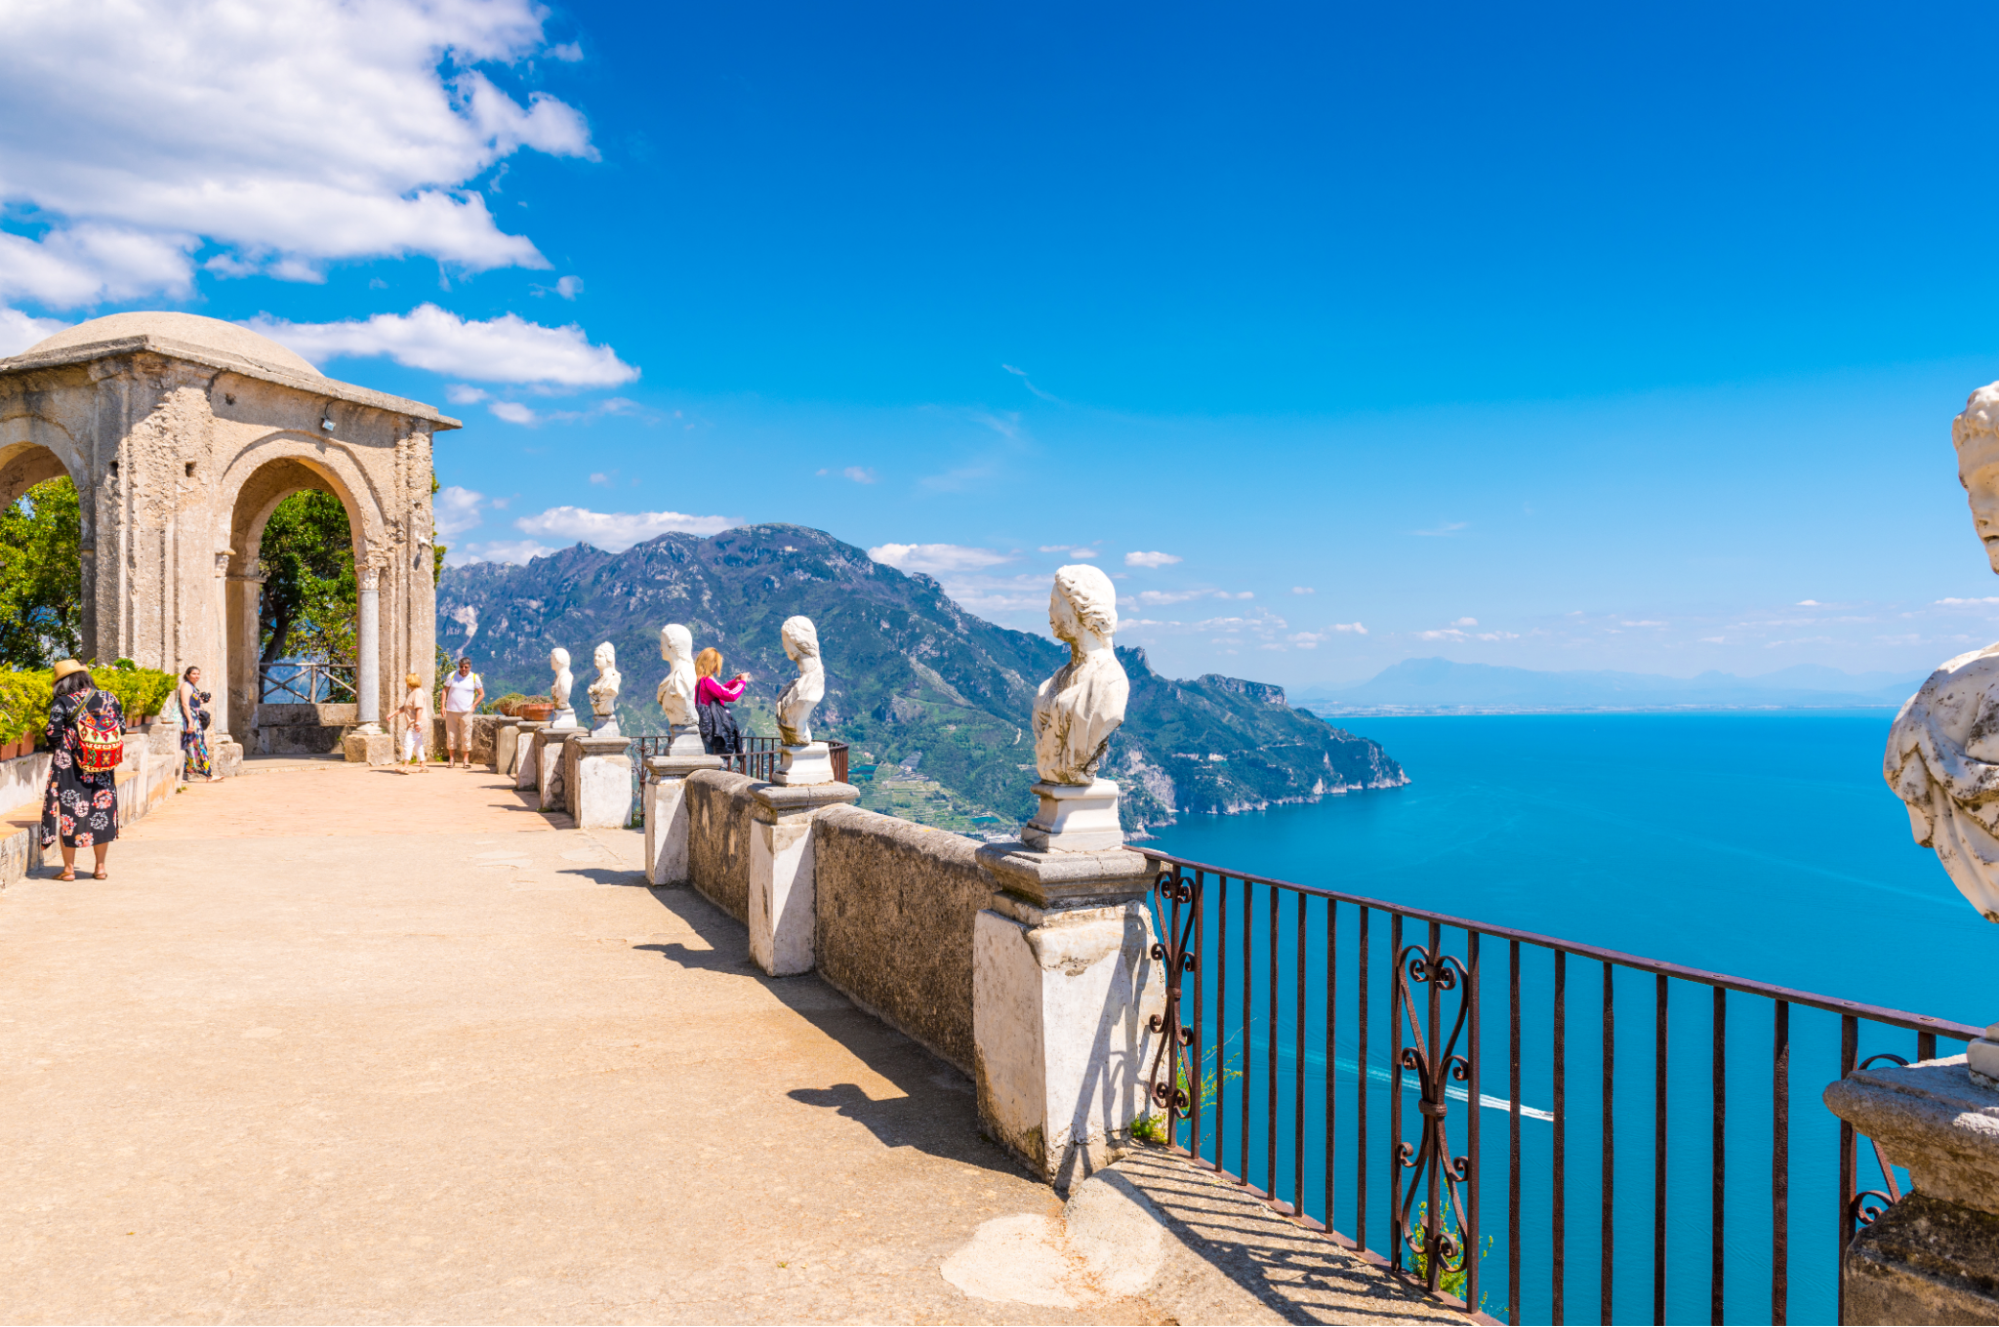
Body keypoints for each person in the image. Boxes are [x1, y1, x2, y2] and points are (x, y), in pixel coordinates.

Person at [40, 659, 123, 881]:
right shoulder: (110, 698)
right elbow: (121, 727)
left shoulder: (63, 702)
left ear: (62, 683)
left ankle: (69, 869)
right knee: (103, 813)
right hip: (102, 763)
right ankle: (100, 868)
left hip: (71, 765)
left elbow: (52, 734)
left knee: (70, 813)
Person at [695, 647, 749, 756]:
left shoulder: (698, 680)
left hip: (702, 725)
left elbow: (717, 692)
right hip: (712, 727)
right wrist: (743, 682)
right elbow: (731, 696)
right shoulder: (707, 680)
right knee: (712, 762)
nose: (716, 668)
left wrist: (733, 682)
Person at [176, 665, 220, 783]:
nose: (197, 676)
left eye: (198, 674)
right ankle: (207, 775)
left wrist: (203, 700)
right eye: (194, 674)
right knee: (194, 746)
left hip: (194, 719)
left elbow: (193, 702)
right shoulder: (185, 686)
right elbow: (185, 704)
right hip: (188, 719)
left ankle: (202, 774)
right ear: (187, 675)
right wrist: (190, 721)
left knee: (193, 746)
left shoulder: (192, 687)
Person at [440, 657, 484, 769]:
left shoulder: (474, 678)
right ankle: (451, 760)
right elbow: (444, 691)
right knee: (451, 735)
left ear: (470, 667)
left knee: (466, 736)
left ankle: (465, 760)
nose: (463, 669)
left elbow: (481, 694)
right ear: (459, 666)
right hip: (451, 710)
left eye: (466, 667)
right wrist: (442, 706)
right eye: (461, 667)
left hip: (466, 712)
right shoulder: (452, 675)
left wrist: (474, 706)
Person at [396, 670, 430, 773]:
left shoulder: (417, 693)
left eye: (407, 681)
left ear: (411, 682)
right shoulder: (414, 693)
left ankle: (406, 766)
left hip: (415, 723)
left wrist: (417, 723)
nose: (406, 684)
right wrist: (393, 714)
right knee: (418, 744)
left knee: (408, 742)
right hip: (416, 723)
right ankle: (423, 765)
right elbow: (406, 707)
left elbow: (419, 708)